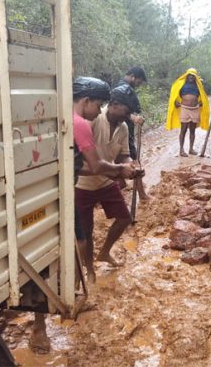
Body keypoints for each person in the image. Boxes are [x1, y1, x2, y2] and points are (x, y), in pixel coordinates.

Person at [75, 83, 142, 280]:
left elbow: (123, 156)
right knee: (86, 231)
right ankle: (89, 270)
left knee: (124, 218)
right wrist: (119, 171)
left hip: (105, 181)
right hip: (82, 185)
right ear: (113, 105)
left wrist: (132, 166)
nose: (128, 114)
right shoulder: (92, 120)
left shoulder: (122, 128)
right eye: (126, 110)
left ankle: (104, 252)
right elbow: (80, 164)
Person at [117, 66, 150, 200]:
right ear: (132, 76)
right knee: (135, 162)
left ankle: (119, 188)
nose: (138, 84)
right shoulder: (124, 90)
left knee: (116, 161)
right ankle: (142, 195)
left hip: (118, 131)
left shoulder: (119, 87)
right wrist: (132, 117)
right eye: (139, 81)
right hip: (124, 132)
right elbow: (118, 109)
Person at [165, 68, 210, 156]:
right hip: (184, 108)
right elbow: (175, 94)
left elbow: (203, 96)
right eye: (189, 75)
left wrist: (201, 102)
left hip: (195, 109)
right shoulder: (181, 84)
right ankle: (181, 150)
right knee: (183, 130)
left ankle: (191, 149)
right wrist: (175, 102)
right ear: (186, 75)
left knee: (192, 130)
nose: (191, 77)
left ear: (195, 77)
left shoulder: (198, 85)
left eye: (193, 75)